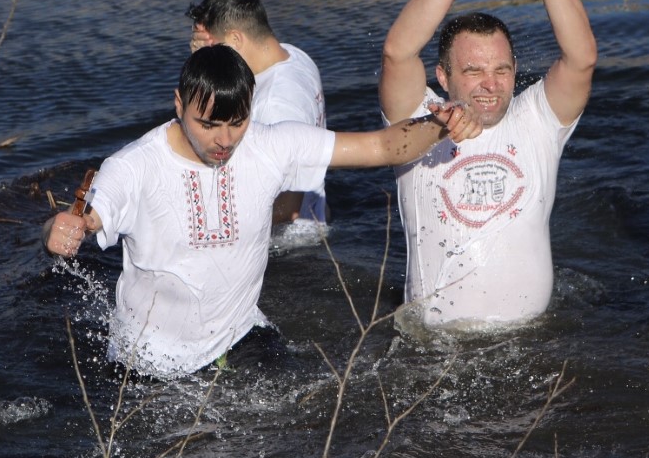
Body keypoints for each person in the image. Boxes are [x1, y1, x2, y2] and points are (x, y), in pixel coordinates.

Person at [43, 45, 480, 377]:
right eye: (208, 125)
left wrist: (442, 125)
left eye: (237, 123)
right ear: (179, 105)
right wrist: (66, 225)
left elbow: (382, 146)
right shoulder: (135, 166)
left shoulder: (270, 145)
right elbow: (86, 217)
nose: (224, 140)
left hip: (241, 337)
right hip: (152, 364)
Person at [377, 0, 596, 327]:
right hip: (435, 348)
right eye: (473, 71)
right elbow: (398, 53)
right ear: (443, 77)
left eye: (501, 69)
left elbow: (581, 58)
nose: (491, 84)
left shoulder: (537, 120)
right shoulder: (419, 120)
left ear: (516, 69)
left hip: (530, 342)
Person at [187, 0, 329, 242]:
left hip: (289, 248)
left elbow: (289, 204)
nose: (210, 56)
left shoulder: (275, 105)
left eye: (214, 48)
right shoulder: (295, 57)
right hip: (314, 222)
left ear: (236, 39)